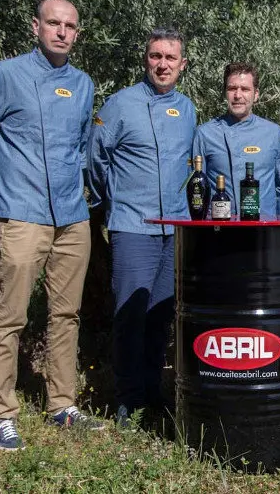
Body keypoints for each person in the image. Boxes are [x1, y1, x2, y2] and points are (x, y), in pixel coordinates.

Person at [0, 0, 102, 451]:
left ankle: (62, 405)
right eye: (53, 23)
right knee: (10, 317)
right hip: (21, 216)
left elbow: (82, 149)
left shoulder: (84, 84)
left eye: (70, 26)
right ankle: (2, 415)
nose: (61, 32)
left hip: (73, 218)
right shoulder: (4, 75)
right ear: (36, 26)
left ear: (77, 33)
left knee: (66, 315)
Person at [87, 28, 196, 426]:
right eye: (155, 56)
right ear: (145, 59)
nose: (162, 64)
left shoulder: (187, 110)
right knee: (129, 314)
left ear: (182, 65)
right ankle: (127, 398)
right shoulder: (119, 104)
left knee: (161, 315)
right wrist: (109, 201)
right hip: (133, 225)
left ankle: (154, 392)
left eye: (170, 57)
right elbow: (95, 159)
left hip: (176, 229)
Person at [194, 62, 280, 218]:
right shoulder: (205, 133)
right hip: (218, 230)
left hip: (264, 230)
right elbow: (197, 189)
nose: (237, 95)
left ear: (256, 94)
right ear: (225, 93)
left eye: (245, 89)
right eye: (232, 89)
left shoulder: (273, 133)